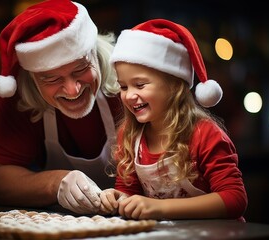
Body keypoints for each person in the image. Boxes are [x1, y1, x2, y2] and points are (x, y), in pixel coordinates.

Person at [98, 19, 248, 221]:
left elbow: (235, 199)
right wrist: (119, 198)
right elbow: (129, 191)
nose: (129, 95)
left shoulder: (205, 135)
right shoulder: (130, 135)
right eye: (123, 87)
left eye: (140, 85)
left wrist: (161, 208)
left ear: (174, 87)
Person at [0, 0, 123, 214]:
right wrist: (55, 183)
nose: (72, 90)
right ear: (32, 76)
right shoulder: (15, 94)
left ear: (94, 52)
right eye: (51, 79)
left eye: (81, 69)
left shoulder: (130, 79)